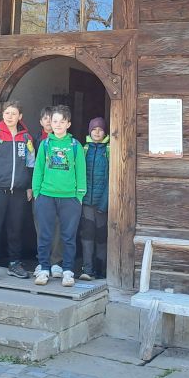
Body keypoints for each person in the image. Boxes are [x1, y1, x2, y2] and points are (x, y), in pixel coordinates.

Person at [0, 101, 34, 280]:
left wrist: (29, 186)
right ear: (3, 114)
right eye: (7, 113)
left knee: (16, 228)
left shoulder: (26, 138)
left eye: (14, 113)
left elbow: (30, 164)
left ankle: (14, 263)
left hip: (19, 191)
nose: (10, 117)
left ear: (20, 116)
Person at [32, 105, 86, 287]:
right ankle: (44, 269)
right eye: (54, 121)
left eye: (62, 122)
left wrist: (79, 195)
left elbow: (81, 172)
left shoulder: (75, 146)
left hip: (70, 197)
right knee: (45, 235)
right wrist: (37, 193)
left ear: (68, 124)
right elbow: (38, 169)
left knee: (68, 236)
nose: (57, 124)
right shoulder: (45, 144)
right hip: (46, 195)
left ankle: (68, 271)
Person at [79, 116, 109, 281]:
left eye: (100, 129)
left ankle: (101, 270)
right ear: (89, 131)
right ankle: (88, 269)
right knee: (87, 236)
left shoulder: (109, 150)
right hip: (86, 203)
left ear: (105, 132)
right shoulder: (84, 149)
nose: (97, 132)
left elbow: (111, 178)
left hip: (102, 203)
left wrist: (104, 203)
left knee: (102, 237)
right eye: (94, 129)